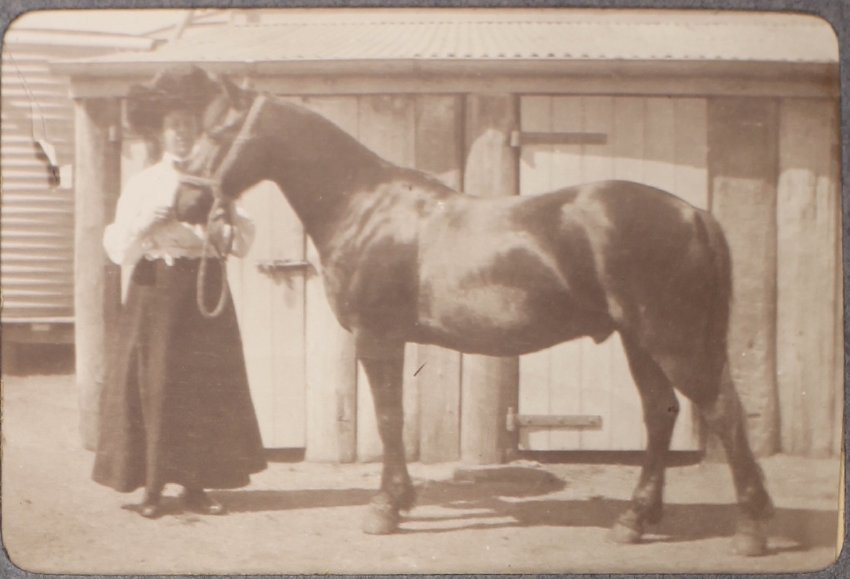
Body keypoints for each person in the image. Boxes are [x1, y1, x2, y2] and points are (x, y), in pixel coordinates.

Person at [92, 66, 266, 519]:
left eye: (188, 128)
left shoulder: (215, 176)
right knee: (155, 387)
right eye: (174, 128)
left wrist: (221, 218)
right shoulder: (144, 182)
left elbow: (242, 243)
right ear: (162, 134)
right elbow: (117, 250)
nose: (182, 136)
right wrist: (148, 221)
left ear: (197, 131)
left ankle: (195, 488)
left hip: (202, 288)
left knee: (202, 387)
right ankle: (151, 488)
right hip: (155, 290)